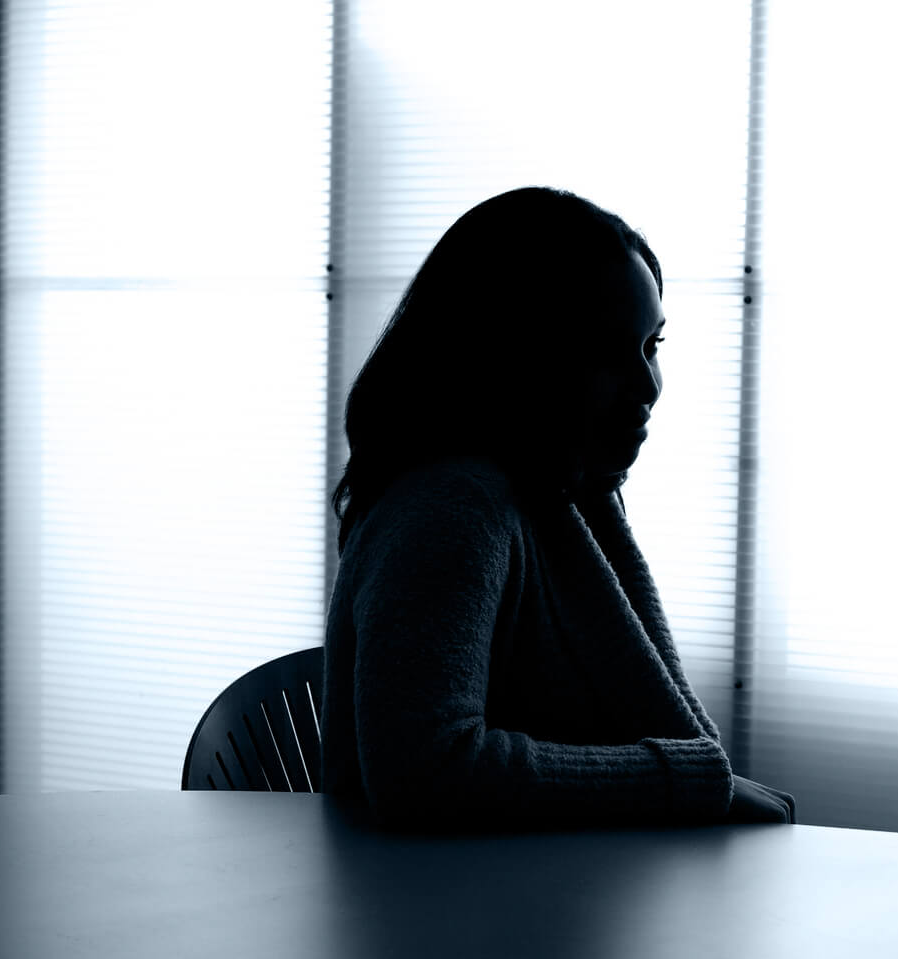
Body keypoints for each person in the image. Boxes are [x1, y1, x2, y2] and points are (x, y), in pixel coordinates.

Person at [323, 187, 793, 830]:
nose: (646, 387)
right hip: (448, 920)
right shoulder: (451, 506)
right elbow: (422, 772)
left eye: (652, 346)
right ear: (515, 355)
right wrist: (687, 781)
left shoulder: (563, 490)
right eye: (605, 352)